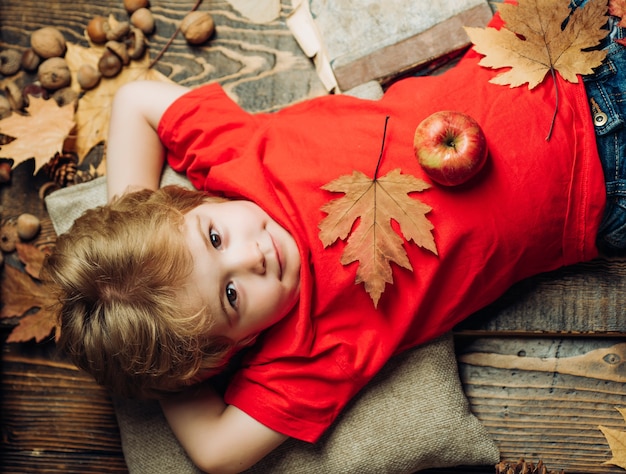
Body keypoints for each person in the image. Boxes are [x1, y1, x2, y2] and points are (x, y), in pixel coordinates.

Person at [43, 2, 626, 472]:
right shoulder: (305, 353)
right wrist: (182, 365)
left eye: (215, 238)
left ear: (188, 202)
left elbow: (135, 101)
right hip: (604, 183)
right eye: (230, 296)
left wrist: (136, 216)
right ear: (233, 348)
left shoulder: (233, 157)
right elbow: (215, 453)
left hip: (551, 36)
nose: (253, 255)